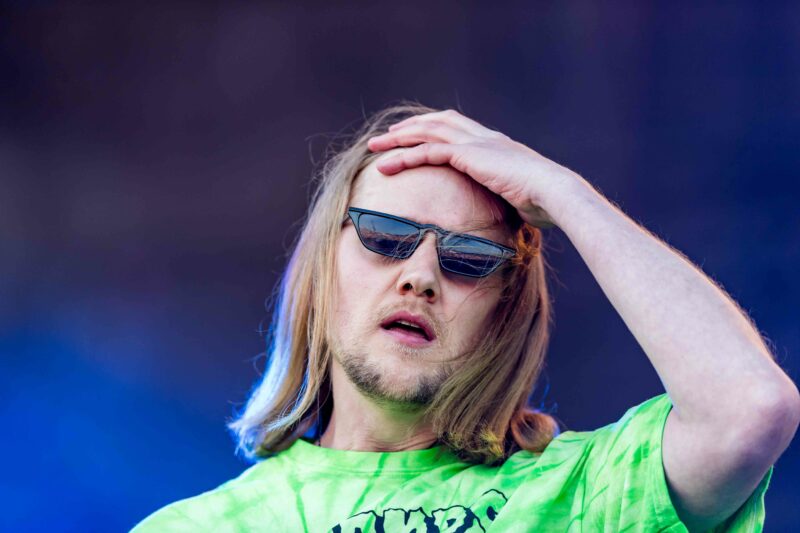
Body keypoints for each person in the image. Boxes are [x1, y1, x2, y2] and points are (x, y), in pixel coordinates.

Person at [133, 103, 799, 532]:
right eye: (386, 236)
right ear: (321, 263)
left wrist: (564, 192)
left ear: (504, 311)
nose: (420, 275)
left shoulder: (584, 494)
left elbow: (750, 408)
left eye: (469, 258)